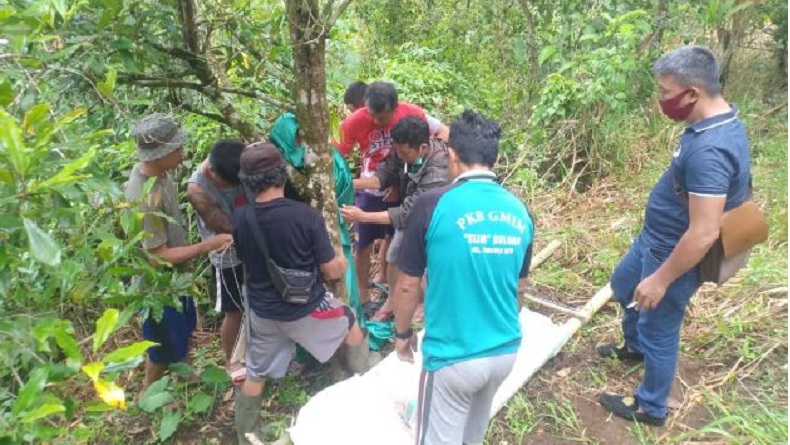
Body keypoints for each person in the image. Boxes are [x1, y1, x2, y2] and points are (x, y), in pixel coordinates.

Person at [598, 46, 752, 426]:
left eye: (665, 93)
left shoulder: (709, 150)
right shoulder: (718, 120)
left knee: (658, 324)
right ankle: (634, 347)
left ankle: (651, 405)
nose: (660, 100)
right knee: (623, 284)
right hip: (656, 236)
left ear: (693, 93)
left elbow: (703, 233)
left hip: (674, 251)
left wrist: (662, 279)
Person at [391, 111, 534, 445]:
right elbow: (520, 289)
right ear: (495, 158)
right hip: (504, 352)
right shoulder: (520, 210)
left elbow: (407, 283)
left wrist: (402, 334)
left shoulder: (430, 206)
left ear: (452, 156)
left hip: (453, 357)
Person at [232, 142, 369, 445]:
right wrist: (341, 261)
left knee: (255, 374)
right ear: (283, 174)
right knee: (349, 319)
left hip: (262, 312)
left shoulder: (241, 217)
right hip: (303, 308)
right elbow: (331, 270)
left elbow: (245, 258)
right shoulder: (305, 215)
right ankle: (367, 383)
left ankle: (246, 436)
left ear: (247, 181)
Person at [123, 114, 232, 394]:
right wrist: (207, 245)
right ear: (160, 154)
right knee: (161, 346)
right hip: (159, 286)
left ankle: (185, 376)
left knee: (181, 331)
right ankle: (148, 396)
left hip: (176, 279)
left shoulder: (161, 174)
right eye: (177, 149)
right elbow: (157, 256)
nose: (182, 154)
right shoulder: (144, 198)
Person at [335, 81, 449, 306]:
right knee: (367, 242)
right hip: (375, 183)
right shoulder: (354, 122)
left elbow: (443, 131)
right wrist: (345, 184)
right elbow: (339, 154)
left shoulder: (414, 118)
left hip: (408, 190)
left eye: (383, 117)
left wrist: (424, 164)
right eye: (372, 115)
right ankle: (367, 296)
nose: (377, 122)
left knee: (399, 243)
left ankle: (397, 295)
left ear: (395, 109)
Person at [186, 139, 247, 380]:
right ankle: (232, 360)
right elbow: (218, 222)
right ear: (211, 171)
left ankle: (254, 350)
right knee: (235, 310)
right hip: (228, 256)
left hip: (251, 244)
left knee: (257, 300)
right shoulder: (197, 190)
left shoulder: (236, 161)